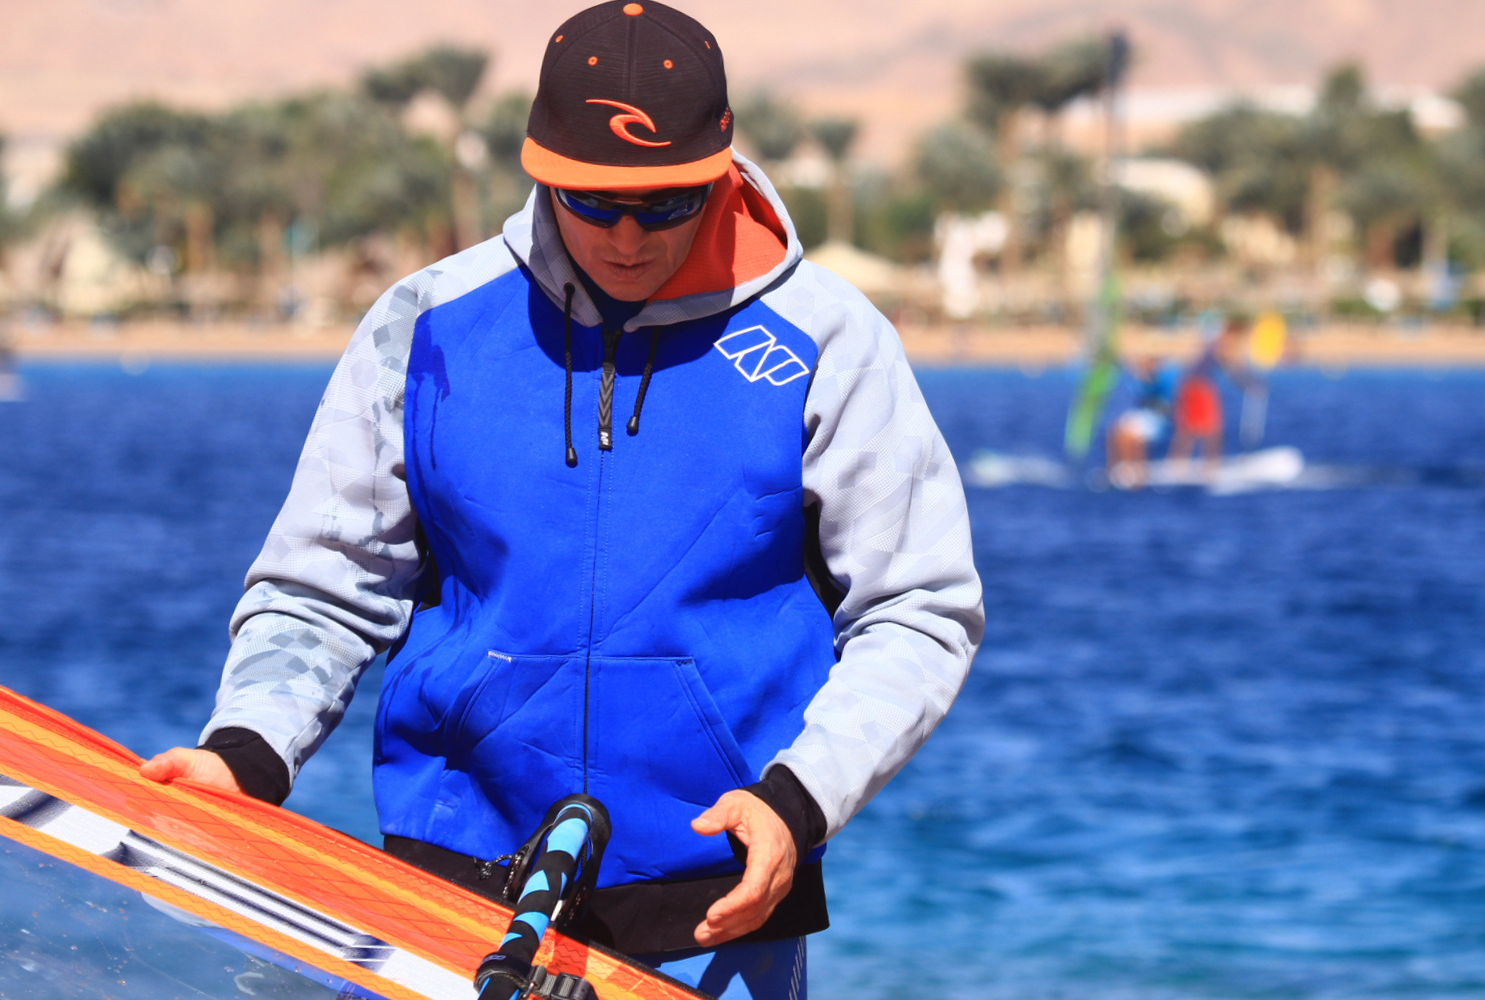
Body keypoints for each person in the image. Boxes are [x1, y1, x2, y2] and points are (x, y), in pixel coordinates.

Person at [141, 4, 984, 998]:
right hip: (445, 885)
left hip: (719, 899)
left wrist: (799, 801)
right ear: (540, 170)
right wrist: (246, 753)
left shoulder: (830, 341)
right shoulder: (427, 324)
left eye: (665, 204)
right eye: (591, 201)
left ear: (718, 169)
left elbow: (920, 608)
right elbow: (323, 583)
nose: (626, 237)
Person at [1169, 318, 1252, 472]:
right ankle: (1209, 466)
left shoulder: (1215, 343)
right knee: (1211, 429)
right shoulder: (1223, 345)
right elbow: (1232, 369)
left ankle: (1179, 463)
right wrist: (1249, 384)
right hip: (1199, 387)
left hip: (1192, 385)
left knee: (1190, 427)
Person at [1106, 356, 1174, 490]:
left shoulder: (1164, 378)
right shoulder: (1142, 378)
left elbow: (1165, 407)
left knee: (1131, 435)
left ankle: (1136, 474)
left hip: (1156, 419)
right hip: (1143, 415)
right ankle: (1116, 470)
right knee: (1115, 431)